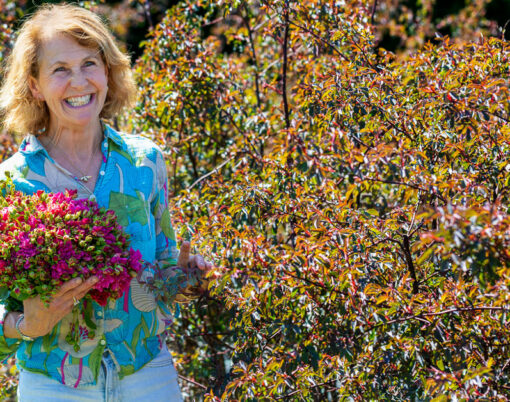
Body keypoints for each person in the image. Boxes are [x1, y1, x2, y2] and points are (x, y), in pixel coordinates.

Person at [0, 4, 213, 401]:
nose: (79, 82)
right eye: (60, 69)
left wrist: (184, 280)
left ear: (108, 71)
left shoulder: (145, 163)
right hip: (56, 383)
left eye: (89, 64)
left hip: (147, 374)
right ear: (34, 86)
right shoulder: (12, 183)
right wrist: (28, 324)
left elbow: (162, 274)